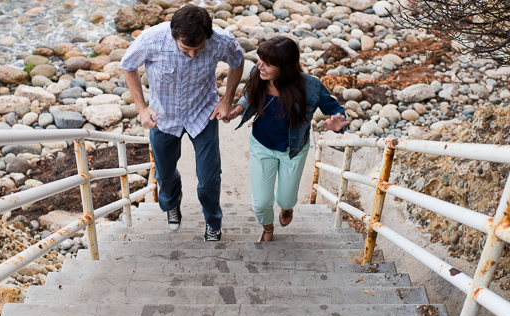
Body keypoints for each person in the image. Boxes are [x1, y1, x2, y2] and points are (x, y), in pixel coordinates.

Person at [120, 5, 245, 241]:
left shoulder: (221, 40)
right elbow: (128, 66)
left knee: (209, 178)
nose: (193, 55)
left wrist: (227, 100)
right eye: (186, 49)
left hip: (203, 114)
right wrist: (141, 108)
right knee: (165, 176)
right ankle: (171, 204)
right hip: (164, 118)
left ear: (208, 36)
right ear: (173, 34)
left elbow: (237, 61)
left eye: (199, 49)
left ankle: (213, 222)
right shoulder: (151, 39)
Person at [224, 36, 349, 242]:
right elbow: (249, 95)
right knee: (261, 203)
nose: (259, 66)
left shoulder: (311, 86)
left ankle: (287, 209)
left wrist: (338, 122)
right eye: (260, 60)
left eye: (268, 64)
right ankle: (268, 228)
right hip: (261, 145)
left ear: (286, 66)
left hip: (294, 149)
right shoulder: (259, 73)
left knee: (285, 198)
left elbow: (334, 108)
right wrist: (236, 111)